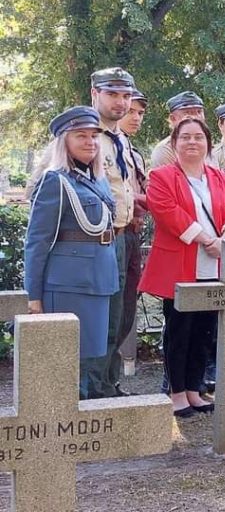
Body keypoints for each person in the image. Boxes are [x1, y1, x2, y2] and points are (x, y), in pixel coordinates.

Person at [138, 117, 225, 418]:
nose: (192, 142)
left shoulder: (217, 176)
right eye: (185, 137)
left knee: (204, 329)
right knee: (179, 330)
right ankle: (176, 392)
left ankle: (195, 389)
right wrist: (206, 238)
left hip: (214, 261)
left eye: (198, 137)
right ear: (174, 143)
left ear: (208, 143)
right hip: (180, 263)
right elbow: (166, 211)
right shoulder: (161, 175)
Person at [24, 106, 119, 399]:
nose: (91, 142)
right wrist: (34, 295)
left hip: (100, 279)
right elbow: (37, 241)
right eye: (81, 136)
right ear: (64, 141)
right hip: (68, 285)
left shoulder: (97, 181)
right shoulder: (55, 181)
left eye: (94, 136)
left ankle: (84, 421)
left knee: (90, 358)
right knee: (66, 365)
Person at [83, 67, 138, 399]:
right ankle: (92, 390)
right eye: (113, 94)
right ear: (95, 95)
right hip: (97, 241)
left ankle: (108, 383)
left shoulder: (121, 140)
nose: (120, 102)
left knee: (120, 316)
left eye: (125, 95)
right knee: (100, 318)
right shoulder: (84, 135)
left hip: (125, 236)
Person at [116, 88, 150, 385]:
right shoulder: (98, 143)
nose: (136, 117)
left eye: (140, 112)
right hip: (110, 236)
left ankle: (110, 381)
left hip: (131, 235)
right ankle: (100, 383)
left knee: (126, 311)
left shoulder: (132, 150)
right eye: (132, 111)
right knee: (111, 313)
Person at [150, 91, 207, 169]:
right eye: (187, 113)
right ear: (173, 118)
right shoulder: (165, 150)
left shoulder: (208, 146)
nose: (196, 117)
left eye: (199, 112)